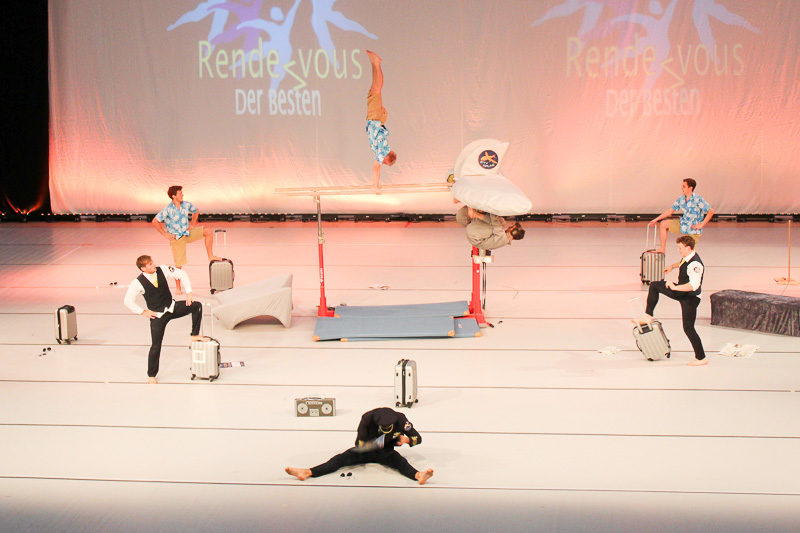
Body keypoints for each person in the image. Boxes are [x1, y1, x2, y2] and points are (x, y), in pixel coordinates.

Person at [285, 407, 434, 485]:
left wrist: (407, 441)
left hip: (386, 452)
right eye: (383, 428)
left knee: (401, 463)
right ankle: (308, 472)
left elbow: (417, 438)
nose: (386, 430)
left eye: (389, 428)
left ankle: (419, 475)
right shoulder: (367, 418)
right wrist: (386, 440)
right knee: (339, 460)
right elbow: (360, 444)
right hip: (365, 451)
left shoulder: (400, 419)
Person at [123, 254, 208, 383]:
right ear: (143, 268)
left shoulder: (162, 269)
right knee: (156, 346)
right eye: (150, 264)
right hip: (158, 316)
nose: (154, 265)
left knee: (197, 306)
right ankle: (151, 375)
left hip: (172, 308)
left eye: (152, 262)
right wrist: (143, 312)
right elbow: (128, 301)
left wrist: (189, 293)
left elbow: (182, 274)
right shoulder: (137, 283)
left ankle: (195, 334)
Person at [636, 235, 708, 366]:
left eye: (680, 248)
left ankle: (701, 358)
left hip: (691, 298)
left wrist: (675, 287)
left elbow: (693, 286)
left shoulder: (695, 264)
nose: (678, 250)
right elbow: (682, 263)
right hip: (681, 292)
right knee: (654, 285)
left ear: (688, 248)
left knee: (688, 328)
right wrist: (672, 267)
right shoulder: (688, 257)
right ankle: (648, 315)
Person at [151, 185, 222, 294]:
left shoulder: (186, 204)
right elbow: (155, 221)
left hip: (187, 233)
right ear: (174, 196)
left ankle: (210, 256)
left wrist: (192, 224)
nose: (182, 195)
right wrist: (165, 234)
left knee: (207, 231)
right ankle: (178, 288)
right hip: (176, 238)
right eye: (180, 193)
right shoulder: (168, 209)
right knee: (178, 265)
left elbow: (196, 211)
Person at [649, 177, 714, 253]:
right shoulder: (681, 199)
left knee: (688, 254)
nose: (681, 188)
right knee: (663, 224)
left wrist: (701, 225)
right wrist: (656, 219)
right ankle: (662, 249)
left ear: (690, 188)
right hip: (684, 224)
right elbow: (670, 211)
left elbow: (711, 211)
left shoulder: (698, 199)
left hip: (693, 230)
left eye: (684, 186)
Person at [365, 50, 397, 189]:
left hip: (375, 119)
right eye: (385, 162)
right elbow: (375, 169)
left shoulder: (383, 149)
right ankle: (376, 63)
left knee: (374, 90)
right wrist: (376, 185)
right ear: (387, 157)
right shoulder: (382, 152)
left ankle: (374, 63)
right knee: (376, 90)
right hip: (375, 118)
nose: (382, 163)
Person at [456, 206, 525, 250]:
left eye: (511, 227)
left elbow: (495, 224)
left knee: (499, 223)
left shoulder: (503, 239)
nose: (509, 227)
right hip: (473, 230)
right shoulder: (503, 239)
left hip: (475, 234)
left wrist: (492, 210)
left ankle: (477, 213)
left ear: (514, 232)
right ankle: (476, 213)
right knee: (499, 222)